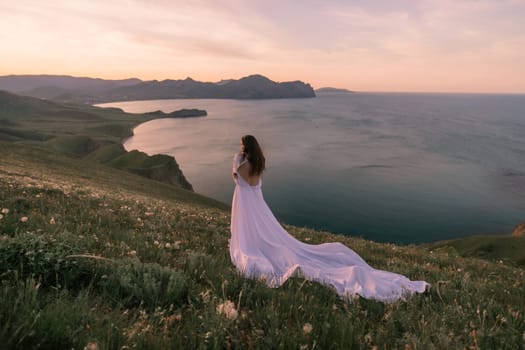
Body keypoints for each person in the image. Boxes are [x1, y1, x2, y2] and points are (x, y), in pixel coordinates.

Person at [230, 135, 429, 302]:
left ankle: (251, 245)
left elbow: (236, 178)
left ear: (245, 147)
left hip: (246, 205)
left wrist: (237, 158)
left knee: (253, 234)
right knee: (266, 232)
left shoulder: (242, 165)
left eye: (242, 146)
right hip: (258, 204)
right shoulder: (257, 165)